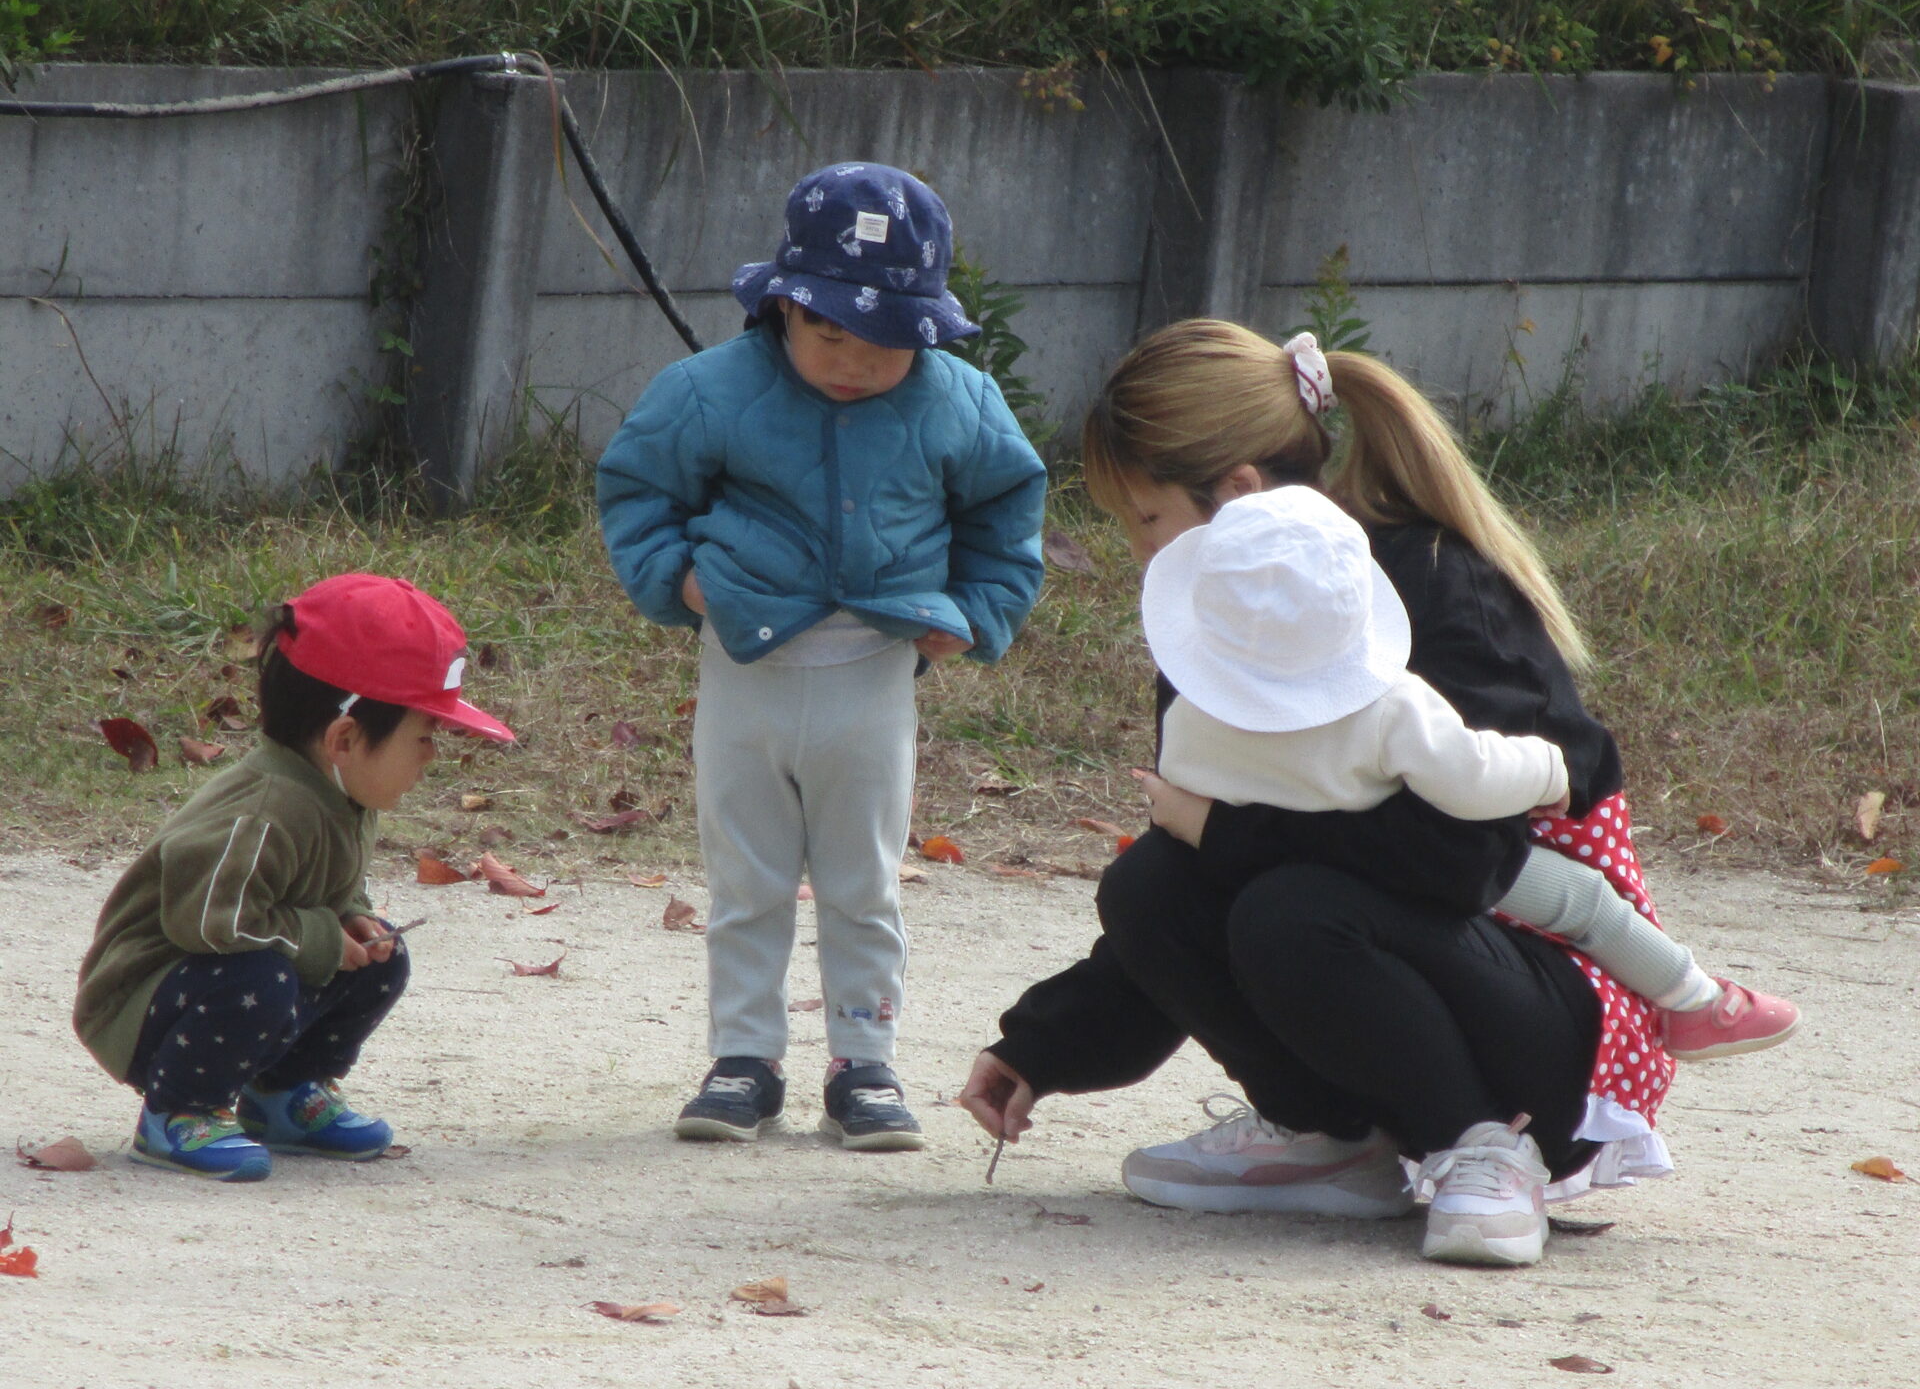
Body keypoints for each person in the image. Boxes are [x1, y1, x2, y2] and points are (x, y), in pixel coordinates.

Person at [960, 319, 1782, 1266]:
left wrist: (1227, 834)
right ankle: (1333, 1137)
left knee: (1291, 907)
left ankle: (1487, 1144)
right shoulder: (1224, 631)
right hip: (1365, 944)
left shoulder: (1434, 587)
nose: (1140, 553)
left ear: (1237, 493)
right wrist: (1042, 1046)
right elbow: (1208, 868)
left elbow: (1463, 862)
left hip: (1540, 1000)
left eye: (1146, 520)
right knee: (1151, 882)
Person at [598, 162, 1047, 1152]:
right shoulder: (710, 390)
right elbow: (637, 487)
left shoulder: (961, 403)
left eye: (882, 341)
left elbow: (1007, 513)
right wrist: (677, 577)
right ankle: (743, 1060)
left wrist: (977, 612)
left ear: (925, 330)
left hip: (874, 673)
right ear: (782, 308)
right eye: (827, 331)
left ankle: (865, 1063)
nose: (851, 360)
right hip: (744, 668)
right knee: (746, 878)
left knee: (863, 881)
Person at [1143, 479, 1799, 1058]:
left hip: (1258, 879)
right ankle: (1695, 1001)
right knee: (1583, 900)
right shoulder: (1391, 706)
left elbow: (1187, 779)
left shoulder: (1189, 713)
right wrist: (1548, 769)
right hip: (1388, 864)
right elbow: (1472, 780)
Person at [73, 574, 515, 1182]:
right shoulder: (265, 810)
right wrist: (322, 937)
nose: (431, 756)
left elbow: (329, 883)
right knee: (262, 977)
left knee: (382, 956)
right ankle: (178, 1112)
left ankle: (282, 1094)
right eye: (423, 736)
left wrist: (351, 914)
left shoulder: (344, 794)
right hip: (143, 1003)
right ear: (345, 739)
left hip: (231, 971)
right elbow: (212, 920)